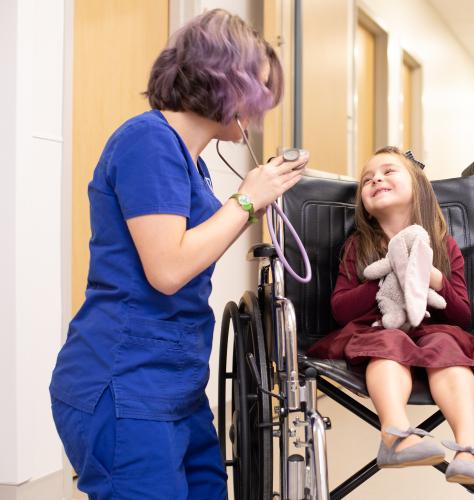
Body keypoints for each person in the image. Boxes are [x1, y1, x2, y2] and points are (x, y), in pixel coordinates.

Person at [49, 10, 307, 499]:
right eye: (259, 91)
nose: (262, 107)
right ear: (226, 80)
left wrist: (251, 202)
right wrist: (247, 200)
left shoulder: (193, 161)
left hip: (175, 387)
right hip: (124, 385)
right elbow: (167, 269)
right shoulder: (148, 141)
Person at [307, 147, 474, 485]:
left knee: (447, 347)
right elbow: (340, 309)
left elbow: (461, 314)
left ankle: (468, 446)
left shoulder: (444, 246)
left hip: (434, 333)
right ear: (364, 204)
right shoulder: (358, 248)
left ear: (417, 188)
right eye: (367, 179)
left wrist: (432, 278)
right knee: (387, 343)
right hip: (377, 332)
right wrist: (387, 277)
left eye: (389, 171)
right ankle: (395, 436)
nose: (376, 179)